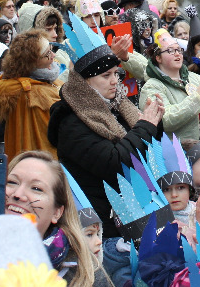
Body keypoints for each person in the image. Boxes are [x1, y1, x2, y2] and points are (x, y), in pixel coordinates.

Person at [47, 22, 163, 279]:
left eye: (116, 74)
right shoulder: (71, 121)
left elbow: (152, 148)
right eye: (106, 76)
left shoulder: (118, 105)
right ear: (85, 82)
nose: (115, 82)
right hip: (107, 231)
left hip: (139, 218)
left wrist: (156, 122)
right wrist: (146, 126)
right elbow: (114, 163)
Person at [4, 151, 111, 286]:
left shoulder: (84, 274)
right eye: (12, 182)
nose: (18, 194)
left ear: (57, 212)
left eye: (36, 188)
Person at [0, 30, 63, 161]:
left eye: (51, 49)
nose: (53, 55)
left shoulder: (47, 80)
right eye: (47, 54)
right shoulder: (29, 95)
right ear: (32, 63)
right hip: (43, 163)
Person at [139, 29, 200, 141]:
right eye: (170, 51)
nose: (177, 53)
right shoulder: (151, 87)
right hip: (178, 152)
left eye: (179, 50)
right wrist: (197, 97)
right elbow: (166, 120)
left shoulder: (194, 77)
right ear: (158, 58)